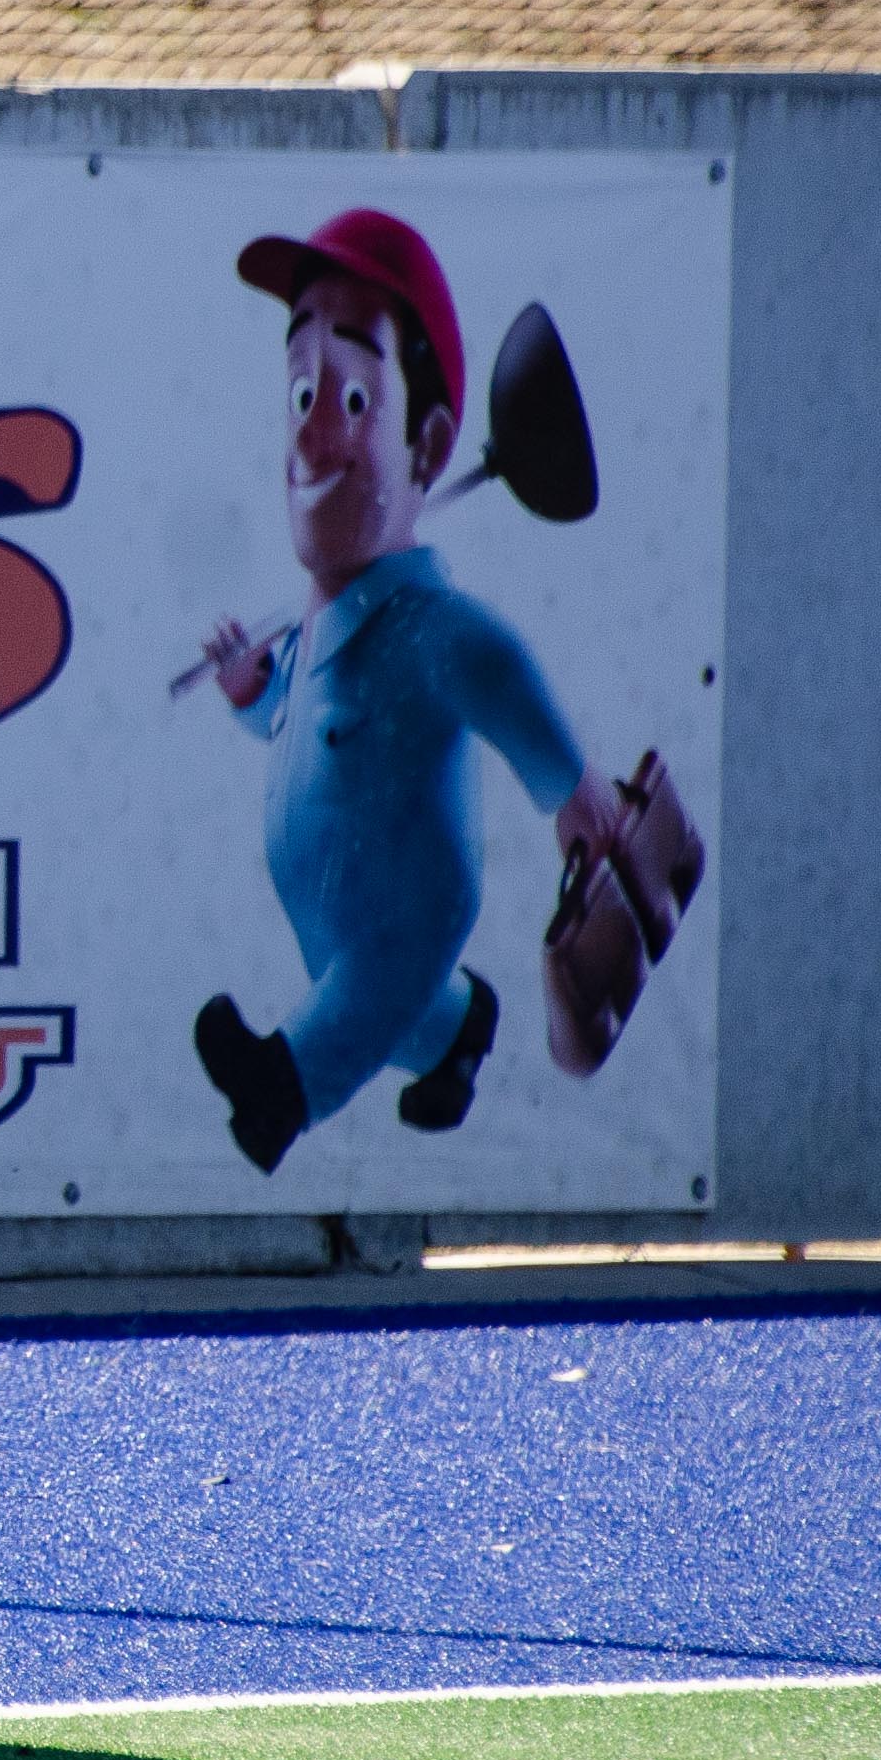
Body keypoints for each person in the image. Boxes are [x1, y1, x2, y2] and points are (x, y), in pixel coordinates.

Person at [190, 209, 609, 1174]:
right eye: (300, 385)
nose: (309, 417)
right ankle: (457, 1030)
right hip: (332, 911)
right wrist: (253, 691)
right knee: (402, 1009)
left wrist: (570, 789)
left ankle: (281, 1084)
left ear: (425, 445)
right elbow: (298, 728)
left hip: (407, 904)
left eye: (346, 393)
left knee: (368, 985)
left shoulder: (429, 632)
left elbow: (500, 673)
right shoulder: (313, 629)